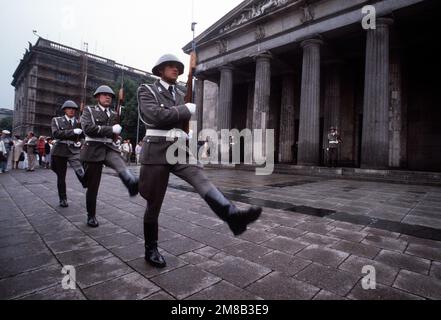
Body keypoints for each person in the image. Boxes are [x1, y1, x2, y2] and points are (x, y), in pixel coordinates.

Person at [137, 54, 262, 268]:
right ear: (160, 70)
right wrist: (184, 109)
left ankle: (232, 217)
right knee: (154, 204)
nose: (176, 69)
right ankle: (151, 248)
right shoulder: (146, 90)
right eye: (171, 66)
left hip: (177, 148)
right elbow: (156, 116)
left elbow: (177, 118)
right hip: (156, 148)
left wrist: (183, 121)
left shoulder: (179, 92)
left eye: (178, 66)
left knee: (201, 178)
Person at [80, 85, 139, 228]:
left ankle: (129, 180)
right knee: (92, 186)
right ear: (97, 97)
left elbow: (113, 134)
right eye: (104, 95)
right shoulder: (89, 110)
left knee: (119, 162)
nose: (108, 97)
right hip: (93, 149)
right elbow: (87, 129)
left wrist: (116, 137)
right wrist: (110, 130)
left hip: (108, 147)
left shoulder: (113, 114)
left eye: (110, 96)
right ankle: (91, 215)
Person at [51, 100, 87, 208]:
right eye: (69, 108)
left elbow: (83, 137)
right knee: (61, 177)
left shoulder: (79, 122)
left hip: (74, 150)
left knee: (80, 170)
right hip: (60, 150)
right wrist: (72, 132)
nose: (72, 110)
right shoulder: (57, 120)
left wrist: (80, 142)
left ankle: (85, 182)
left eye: (74, 109)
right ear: (64, 110)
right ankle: (63, 199)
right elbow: (56, 134)